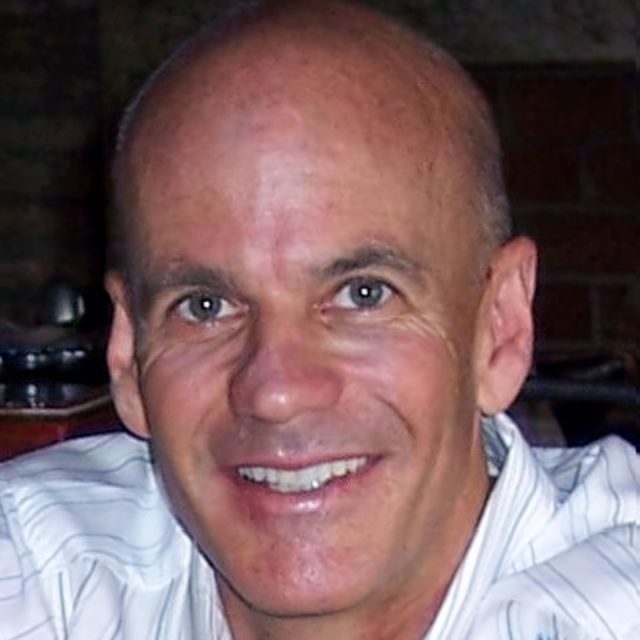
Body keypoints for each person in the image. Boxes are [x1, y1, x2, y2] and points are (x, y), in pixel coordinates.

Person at [0, 2, 638, 638]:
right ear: (129, 355)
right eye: (205, 307)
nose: (275, 392)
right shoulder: (38, 575)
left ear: (499, 330)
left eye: (364, 294)